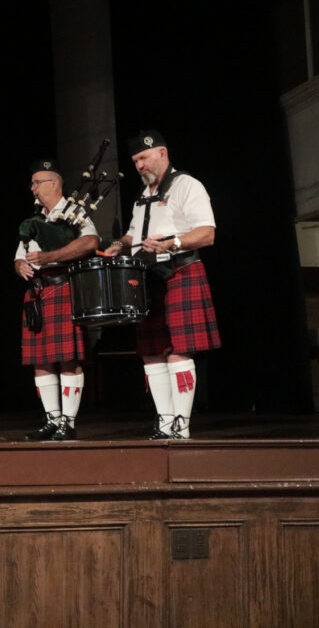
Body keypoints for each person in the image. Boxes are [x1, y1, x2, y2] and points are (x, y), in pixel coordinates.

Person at [102, 130, 219, 439]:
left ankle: (182, 425)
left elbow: (207, 233)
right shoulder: (142, 196)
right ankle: (165, 421)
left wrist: (173, 242)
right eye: (135, 160)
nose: (139, 165)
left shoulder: (186, 185)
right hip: (149, 279)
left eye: (143, 158)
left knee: (179, 351)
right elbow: (134, 234)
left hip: (181, 273)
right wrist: (120, 244)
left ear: (162, 153)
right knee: (152, 351)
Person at [14, 160, 100, 441]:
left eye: (37, 182)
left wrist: (50, 257)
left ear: (54, 184)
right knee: (41, 360)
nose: (32, 188)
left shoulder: (75, 213)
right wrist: (20, 266)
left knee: (67, 358)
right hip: (37, 291)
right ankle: (52, 420)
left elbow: (90, 242)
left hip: (64, 287)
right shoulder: (35, 217)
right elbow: (19, 255)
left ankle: (69, 422)